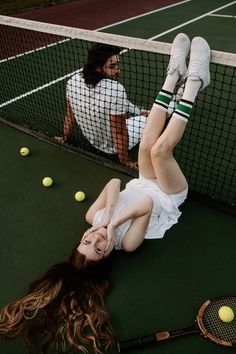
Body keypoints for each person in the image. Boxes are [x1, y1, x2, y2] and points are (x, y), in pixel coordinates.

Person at [0, 34, 210, 353]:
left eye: (87, 241)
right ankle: (194, 82)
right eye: (98, 248)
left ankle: (173, 75)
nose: (95, 239)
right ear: (107, 254)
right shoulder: (127, 243)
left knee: (151, 142)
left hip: (142, 180)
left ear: (82, 237)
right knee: (161, 150)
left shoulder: (93, 218)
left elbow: (114, 184)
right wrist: (115, 226)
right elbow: (145, 204)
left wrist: (107, 218)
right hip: (168, 195)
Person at [59, 43, 149, 170]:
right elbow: (119, 132)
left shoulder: (73, 81)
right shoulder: (116, 90)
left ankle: (142, 111)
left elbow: (70, 115)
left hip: (92, 140)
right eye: (112, 66)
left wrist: (64, 138)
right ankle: (175, 102)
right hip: (112, 147)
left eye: (117, 64)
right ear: (98, 68)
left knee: (139, 112)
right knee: (154, 118)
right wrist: (125, 162)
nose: (118, 70)